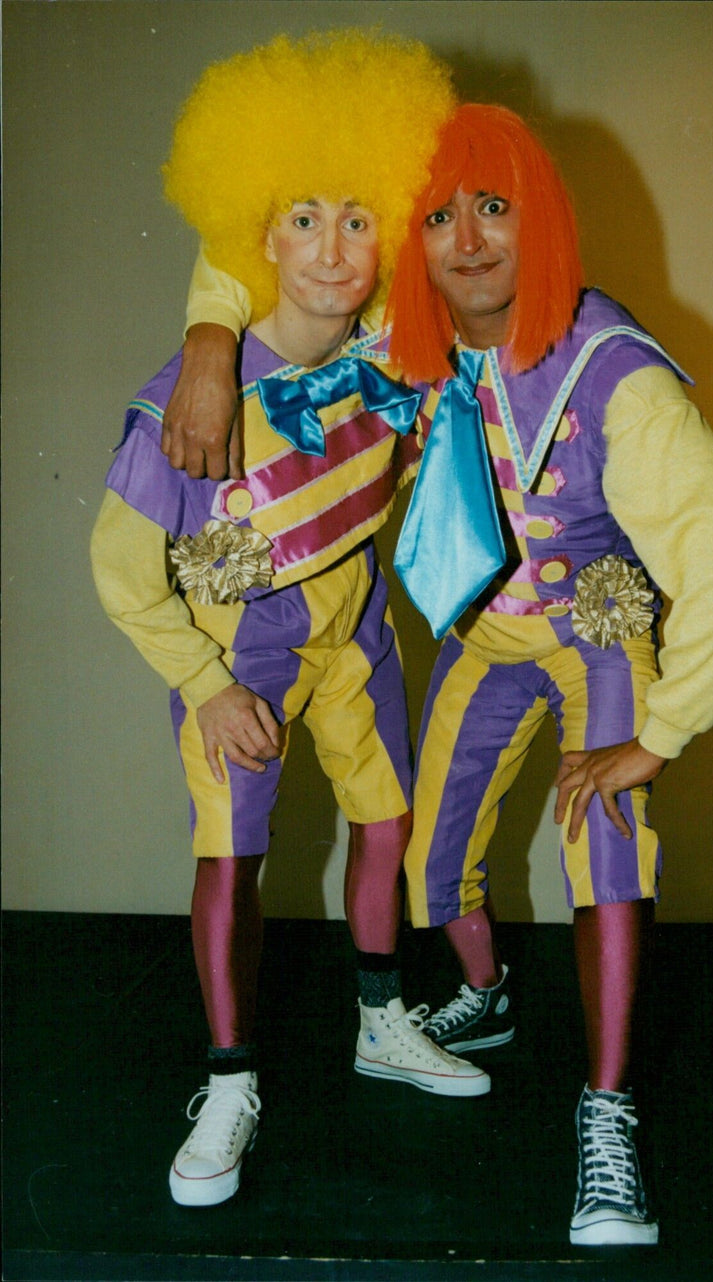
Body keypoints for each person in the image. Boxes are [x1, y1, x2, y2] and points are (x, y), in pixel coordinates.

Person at [158, 103, 713, 1244]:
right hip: (479, 630)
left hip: (594, 626)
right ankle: (486, 997)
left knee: (604, 835)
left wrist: (662, 731)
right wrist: (209, 332)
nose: (467, 238)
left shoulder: (610, 367)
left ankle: (607, 1118)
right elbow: (268, 227)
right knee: (427, 861)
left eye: (492, 206)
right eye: (438, 215)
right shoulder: (410, 337)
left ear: (535, 216)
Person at [90, 33, 490, 1213]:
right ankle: (226, 1081)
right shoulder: (187, 397)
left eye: (357, 218)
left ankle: (379, 1019)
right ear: (253, 233)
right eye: (300, 218)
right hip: (237, 652)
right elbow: (118, 568)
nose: (329, 248)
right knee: (234, 854)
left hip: (354, 629)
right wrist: (204, 683)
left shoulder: (393, 354)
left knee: (388, 819)